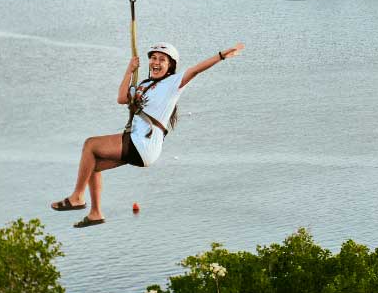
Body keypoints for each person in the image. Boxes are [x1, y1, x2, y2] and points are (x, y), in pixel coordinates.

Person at [51, 42, 244, 227]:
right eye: (153, 58)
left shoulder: (173, 83)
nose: (156, 62)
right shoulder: (143, 85)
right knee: (91, 165)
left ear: (170, 66)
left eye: (162, 59)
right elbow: (121, 98)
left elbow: (195, 70)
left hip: (142, 143)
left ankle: (77, 197)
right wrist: (130, 69)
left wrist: (221, 56)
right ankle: (96, 213)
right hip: (140, 144)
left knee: (90, 144)